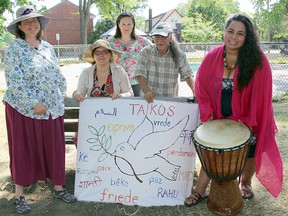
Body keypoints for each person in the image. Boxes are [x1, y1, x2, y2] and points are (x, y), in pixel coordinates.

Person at [184, 14, 283, 207]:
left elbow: (262, 95)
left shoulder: (258, 60)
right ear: (224, 32)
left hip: (250, 117)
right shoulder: (212, 57)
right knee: (212, 153)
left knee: (251, 152)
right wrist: (208, 113)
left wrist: (245, 119)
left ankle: (245, 183)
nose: (234, 37)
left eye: (240, 33)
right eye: (230, 31)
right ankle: (200, 190)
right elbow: (201, 89)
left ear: (247, 37)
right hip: (219, 117)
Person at [3, 5, 77, 214]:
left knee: (54, 148)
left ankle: (58, 187)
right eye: (26, 21)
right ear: (19, 26)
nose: (31, 24)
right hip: (24, 108)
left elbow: (57, 72)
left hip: (51, 107)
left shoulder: (47, 47)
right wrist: (32, 103)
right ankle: (19, 195)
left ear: (40, 24)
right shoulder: (15, 49)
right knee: (23, 150)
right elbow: (14, 81)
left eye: (35, 20)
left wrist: (62, 90)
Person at [72, 40, 133, 144]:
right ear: (93, 56)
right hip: (92, 119)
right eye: (97, 53)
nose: (101, 55)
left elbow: (130, 93)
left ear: (110, 54)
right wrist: (76, 94)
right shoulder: (86, 73)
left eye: (105, 52)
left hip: (115, 121)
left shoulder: (119, 71)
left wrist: (121, 95)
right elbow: (79, 93)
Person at [135, 22, 195, 103]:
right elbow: (140, 74)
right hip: (148, 102)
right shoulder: (145, 52)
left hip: (169, 103)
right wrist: (146, 91)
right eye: (157, 36)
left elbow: (187, 74)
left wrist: (195, 90)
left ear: (170, 38)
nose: (160, 40)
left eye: (163, 36)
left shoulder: (179, 54)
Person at [107, 12, 152, 96]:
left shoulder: (143, 41)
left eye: (129, 24)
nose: (126, 27)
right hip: (116, 83)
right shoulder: (110, 42)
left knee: (136, 107)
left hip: (138, 82)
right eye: (123, 24)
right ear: (118, 25)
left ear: (133, 25)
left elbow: (154, 54)